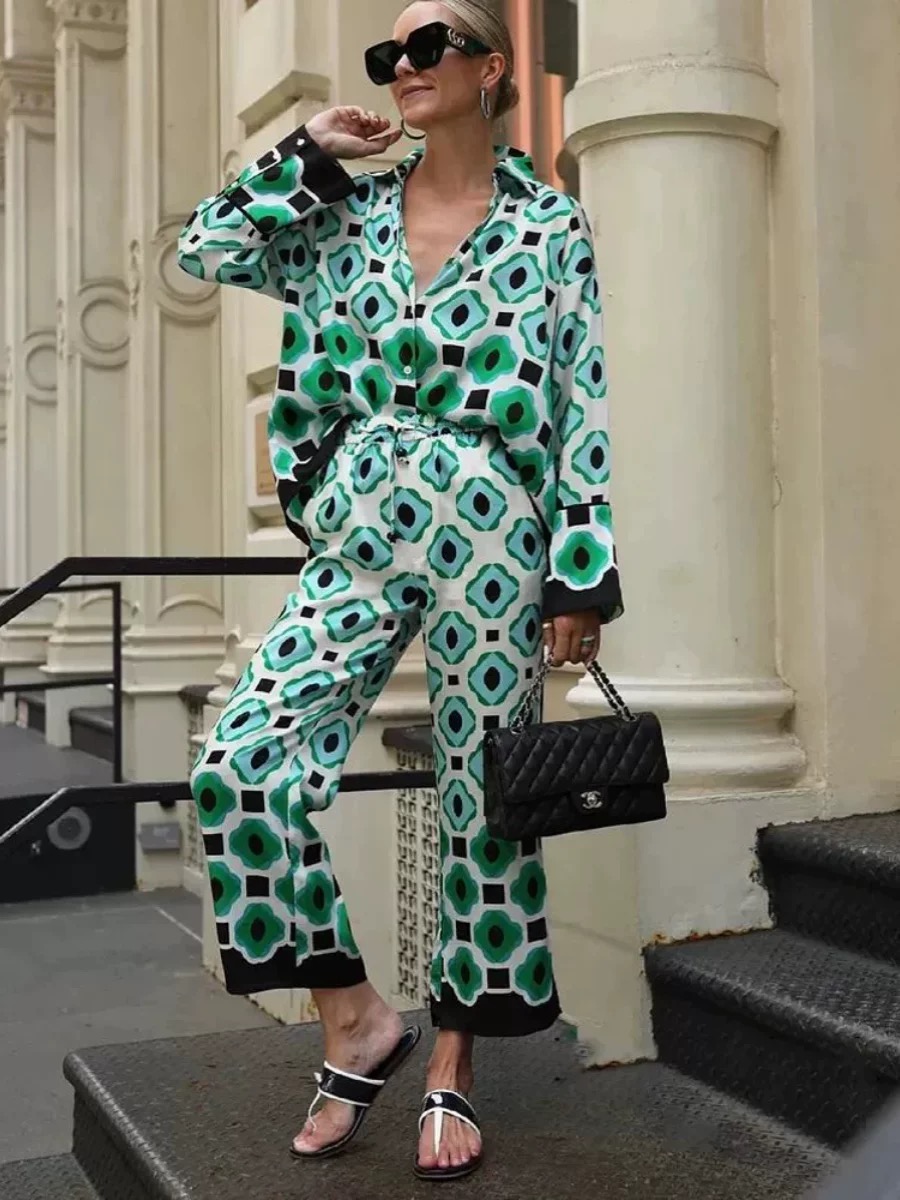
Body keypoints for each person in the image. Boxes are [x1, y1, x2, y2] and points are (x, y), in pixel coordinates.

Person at [178, 0, 622, 1182]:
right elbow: (203, 250)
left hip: (493, 527)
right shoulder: (347, 213)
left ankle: (451, 1067)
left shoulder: (549, 226)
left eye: (429, 48)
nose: (404, 68)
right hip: (363, 517)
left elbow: (581, 405)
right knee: (242, 762)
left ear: (491, 67)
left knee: (484, 800)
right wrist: (309, 151)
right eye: (390, 55)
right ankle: (358, 1019)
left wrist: (579, 575)